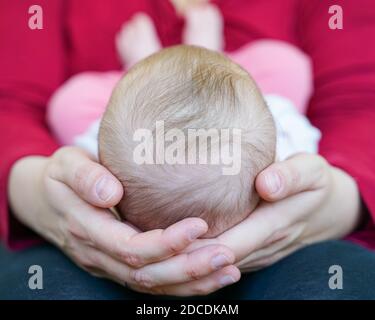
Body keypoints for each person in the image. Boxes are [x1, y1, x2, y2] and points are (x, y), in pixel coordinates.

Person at [1, 0, 375, 299]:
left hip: (291, 246)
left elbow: (84, 139)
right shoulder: (285, 133)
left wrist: (340, 202)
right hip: (83, 247)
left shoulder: (96, 150)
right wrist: (31, 192)